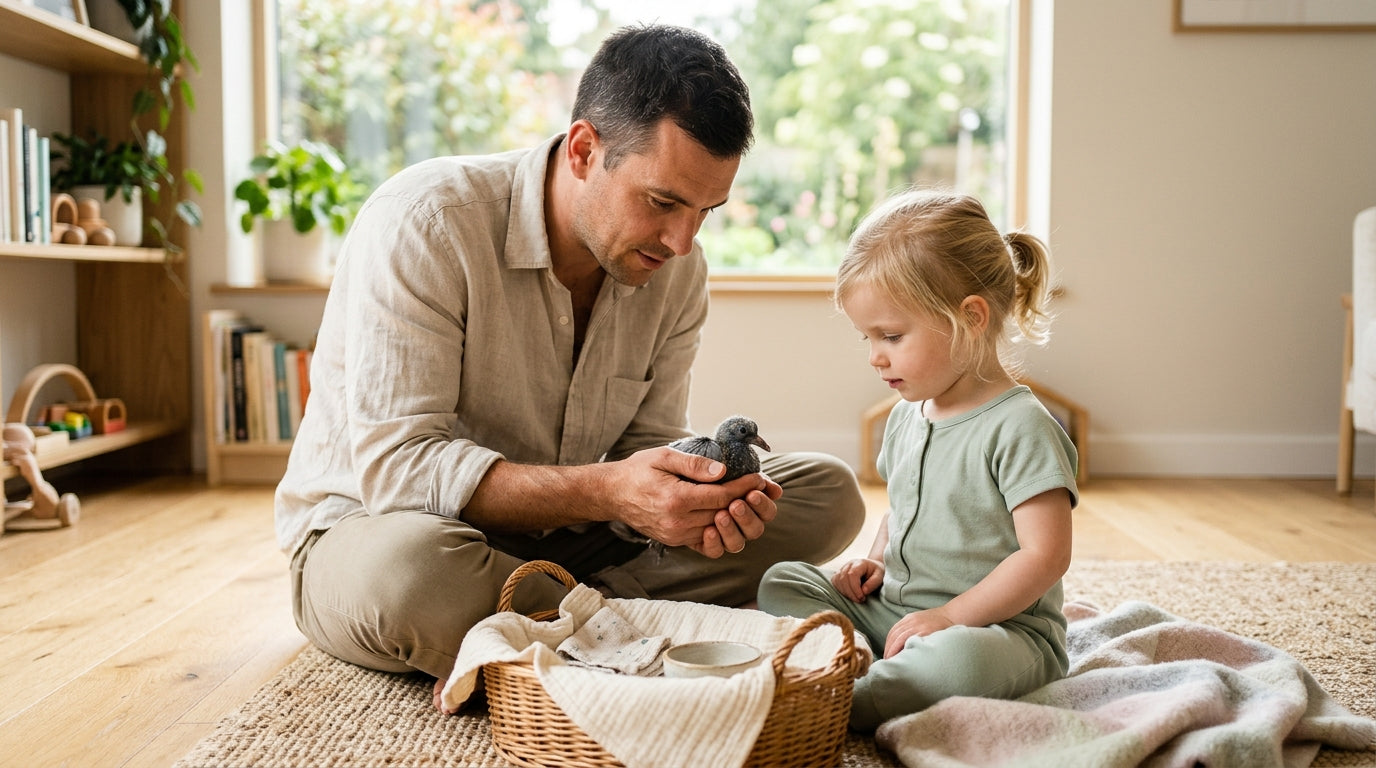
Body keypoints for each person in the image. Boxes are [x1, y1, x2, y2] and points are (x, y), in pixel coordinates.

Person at [273, 23, 866, 707]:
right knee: (410, 578)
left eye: (706, 211)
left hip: (579, 546)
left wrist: (685, 501)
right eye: (664, 202)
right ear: (585, 150)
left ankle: (550, 631)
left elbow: (643, 447)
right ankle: (619, 626)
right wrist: (613, 492)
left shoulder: (676, 268)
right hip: (385, 532)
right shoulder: (426, 222)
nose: (682, 241)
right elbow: (401, 473)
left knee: (824, 492)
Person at [756, 189, 1078, 731]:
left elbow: (1045, 556)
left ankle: (840, 697)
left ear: (970, 318)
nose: (875, 356)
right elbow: (903, 510)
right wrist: (877, 560)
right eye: (868, 337)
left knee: (956, 663)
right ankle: (854, 651)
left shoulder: (1021, 426)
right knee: (782, 580)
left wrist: (952, 618)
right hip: (898, 611)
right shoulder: (908, 415)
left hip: (999, 631)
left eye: (892, 336)